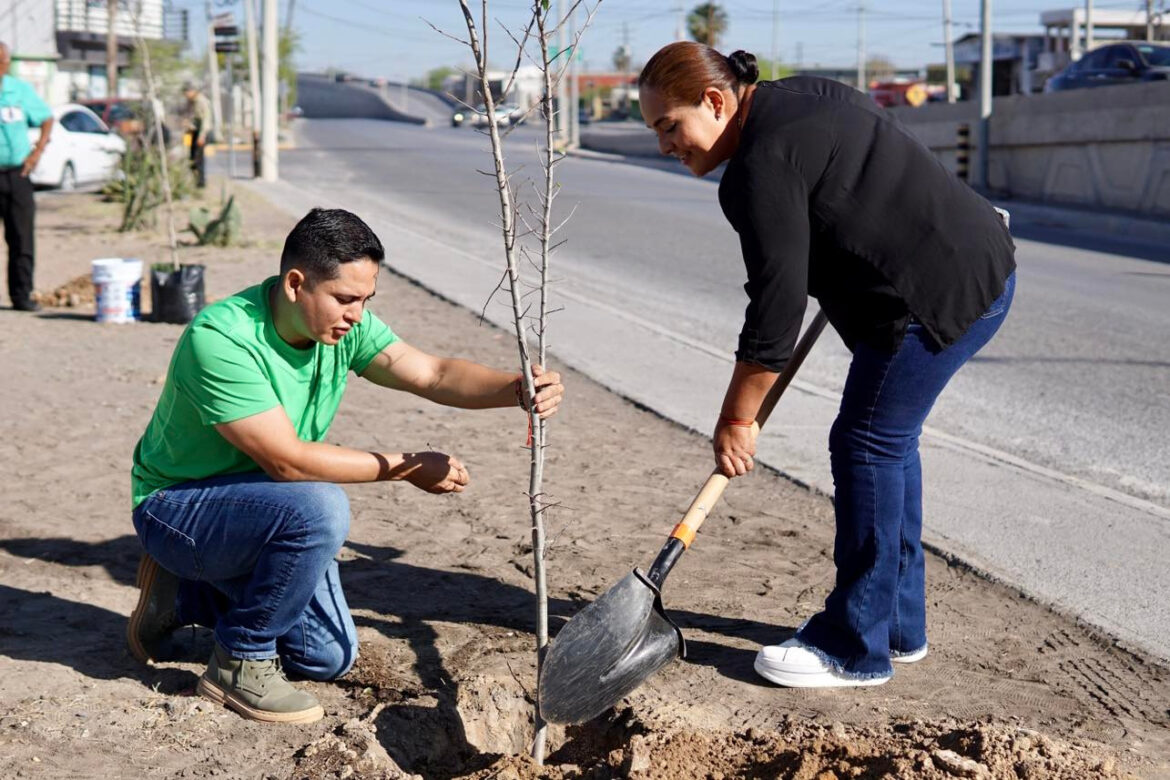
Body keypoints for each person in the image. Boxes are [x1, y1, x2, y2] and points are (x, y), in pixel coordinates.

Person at [638, 42, 1015, 688]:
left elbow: (777, 310)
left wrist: (738, 417)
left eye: (670, 126)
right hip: (976, 263)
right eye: (657, 133)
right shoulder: (797, 97)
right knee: (889, 443)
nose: (666, 146)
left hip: (929, 297)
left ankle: (852, 645)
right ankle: (899, 626)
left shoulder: (757, 167)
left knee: (866, 441)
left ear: (715, 101)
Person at [127, 208, 564, 723]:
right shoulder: (221, 339)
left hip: (261, 503)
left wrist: (514, 389)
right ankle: (238, 660)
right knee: (319, 507)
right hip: (178, 509)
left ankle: (186, 598)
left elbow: (432, 373)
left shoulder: (340, 325)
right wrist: (405, 466)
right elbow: (287, 462)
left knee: (326, 657)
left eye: (365, 300)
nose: (358, 314)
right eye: (346, 299)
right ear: (296, 284)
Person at [0, 42, 54, 312]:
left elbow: (46, 118)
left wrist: (37, 152)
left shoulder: (19, 91)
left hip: (16, 174)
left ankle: (21, 295)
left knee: (22, 238)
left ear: (7, 63)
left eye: (2, 62)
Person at [182, 82, 211, 187]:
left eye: (187, 92)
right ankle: (194, 181)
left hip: (201, 132)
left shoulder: (202, 101)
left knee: (199, 159)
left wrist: (202, 136)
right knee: (192, 158)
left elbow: (206, 120)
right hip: (193, 131)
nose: (186, 95)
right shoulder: (191, 102)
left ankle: (200, 183)